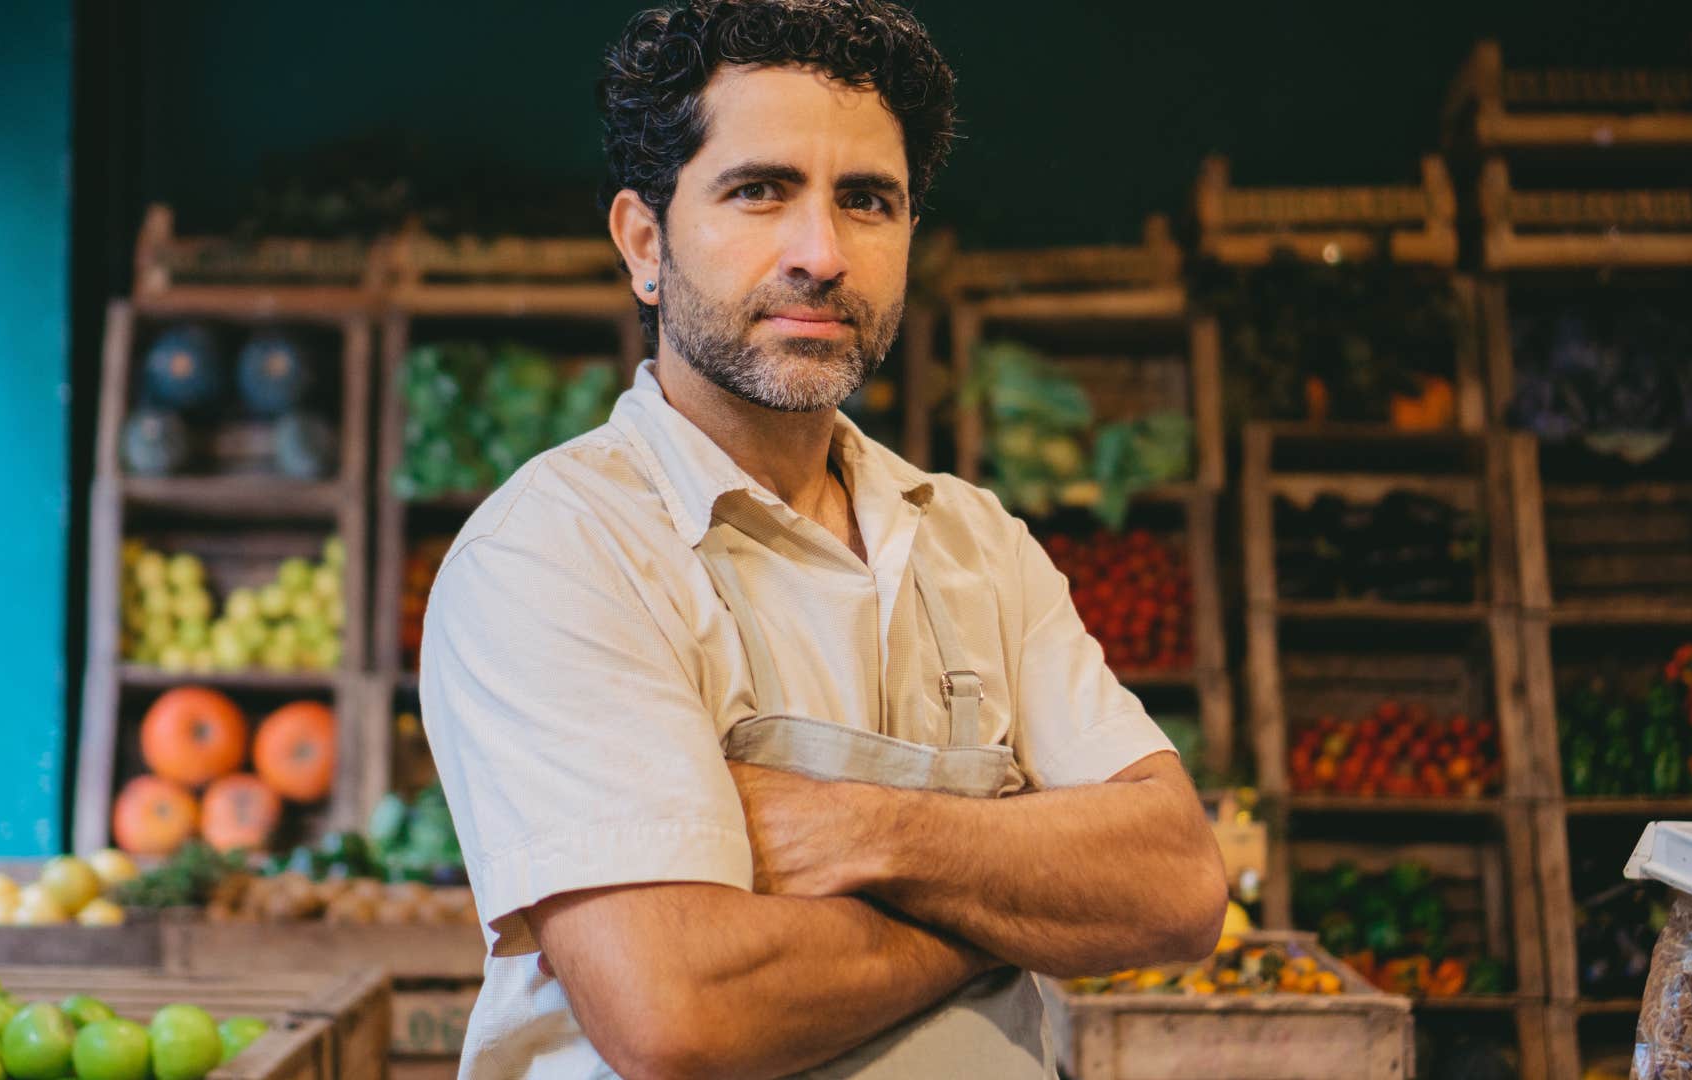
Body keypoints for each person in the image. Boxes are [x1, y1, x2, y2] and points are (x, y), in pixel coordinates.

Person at [419, 2, 1228, 1076]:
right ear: (645, 242)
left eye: (868, 201)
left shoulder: (976, 541)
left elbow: (1176, 887)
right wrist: (1007, 909)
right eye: (759, 191)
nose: (823, 254)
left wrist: (864, 832)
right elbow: (683, 1013)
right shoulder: (554, 555)